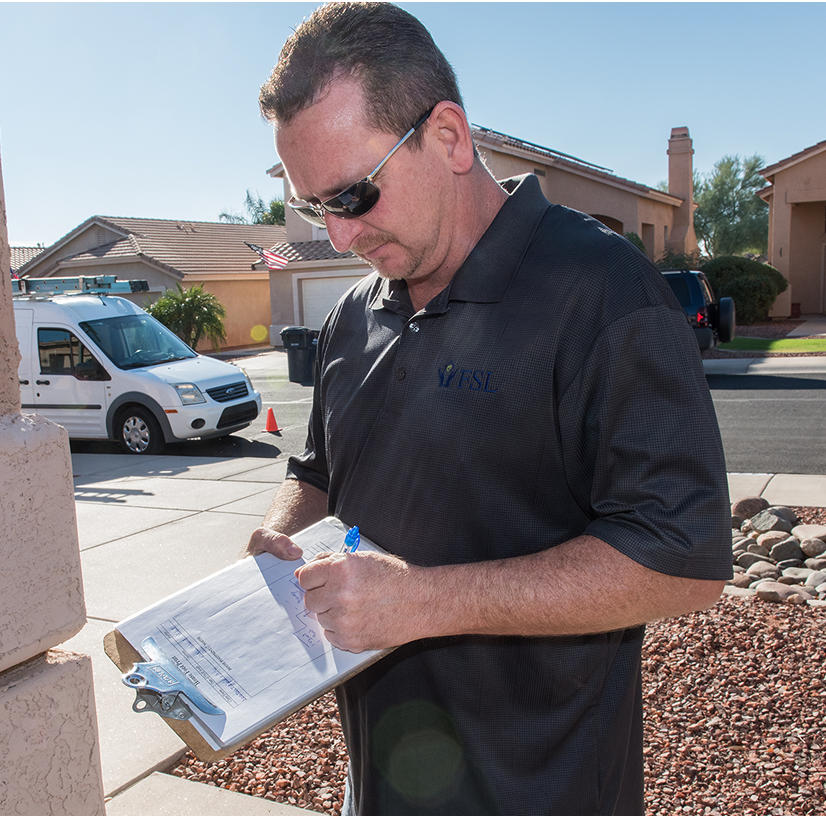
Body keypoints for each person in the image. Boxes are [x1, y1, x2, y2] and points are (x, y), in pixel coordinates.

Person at [244, 4, 733, 815]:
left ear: (448, 137)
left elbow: (681, 558)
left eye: (354, 194)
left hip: (544, 789)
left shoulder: (600, 289)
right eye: (313, 207)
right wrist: (283, 533)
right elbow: (322, 470)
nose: (337, 234)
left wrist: (421, 602)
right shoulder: (353, 314)